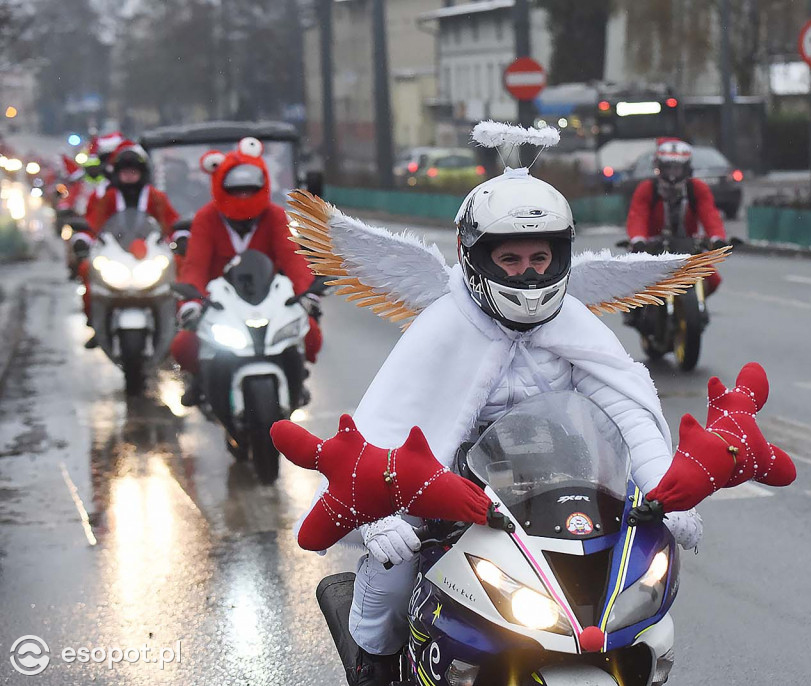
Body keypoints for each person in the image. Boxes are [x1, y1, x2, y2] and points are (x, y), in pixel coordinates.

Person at [287, 123, 707, 686]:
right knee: (390, 573)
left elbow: (627, 407)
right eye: (511, 259)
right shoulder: (443, 327)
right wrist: (382, 515)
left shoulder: (576, 324)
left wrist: (665, 487)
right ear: (474, 255)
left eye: (541, 256)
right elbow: (386, 429)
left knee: (628, 591)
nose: (528, 272)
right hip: (447, 491)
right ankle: (373, 665)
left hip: (558, 492)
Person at [170, 137, 323, 407]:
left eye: (250, 190)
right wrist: (191, 302)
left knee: (310, 333)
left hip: (270, 297)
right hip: (220, 301)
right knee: (183, 345)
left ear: (262, 186)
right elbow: (195, 265)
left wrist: (307, 292)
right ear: (221, 187)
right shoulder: (206, 218)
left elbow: (293, 258)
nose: (243, 197)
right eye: (236, 191)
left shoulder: (275, 216)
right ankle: (199, 380)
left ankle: (298, 377)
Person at [76, 143, 180, 349]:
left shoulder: (155, 197)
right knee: (86, 271)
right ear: (117, 174)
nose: (130, 177)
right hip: (115, 254)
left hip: (150, 254)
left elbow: (170, 221)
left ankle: (178, 319)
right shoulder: (109, 198)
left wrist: (181, 237)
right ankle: (96, 323)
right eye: (125, 173)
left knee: (180, 269)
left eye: (134, 172)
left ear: (142, 173)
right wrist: (83, 239)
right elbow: (93, 223)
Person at [626, 138, 727, 295]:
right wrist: (638, 239)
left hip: (687, 247)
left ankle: (698, 308)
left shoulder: (697, 188)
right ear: (659, 167)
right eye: (668, 168)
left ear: (687, 169)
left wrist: (717, 237)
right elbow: (637, 216)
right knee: (634, 289)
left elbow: (710, 214)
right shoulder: (647, 188)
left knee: (713, 280)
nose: (672, 175)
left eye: (677, 169)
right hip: (653, 250)